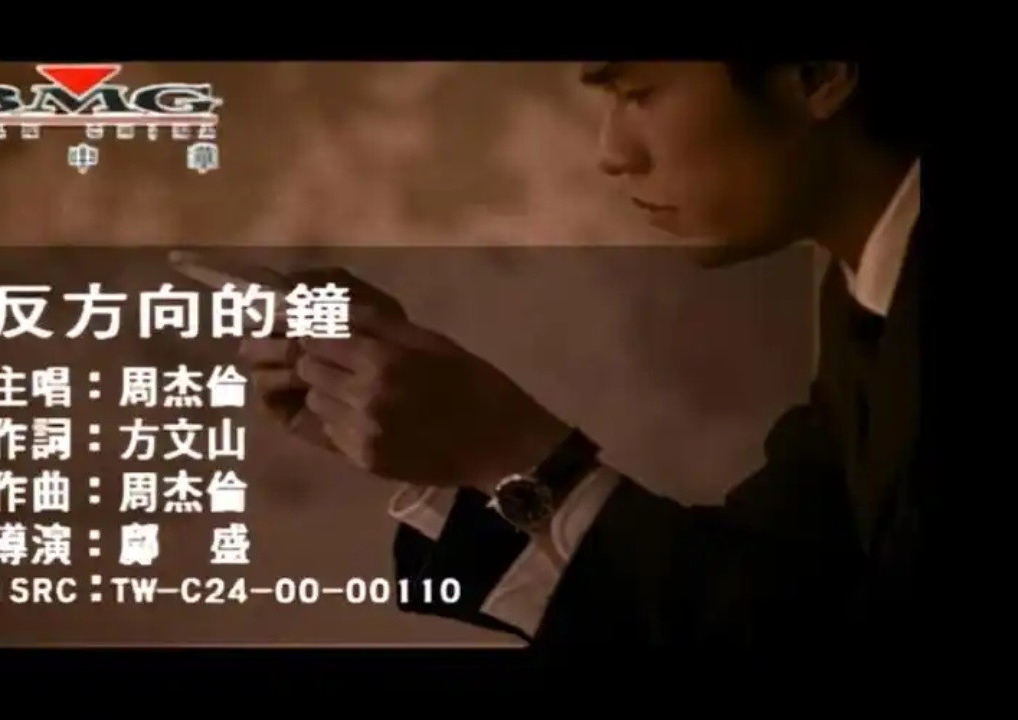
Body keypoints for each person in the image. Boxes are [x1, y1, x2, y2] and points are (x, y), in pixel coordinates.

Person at [238, 61, 926, 650]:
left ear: (818, 73)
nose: (612, 152)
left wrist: (512, 454)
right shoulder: (863, 293)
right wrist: (446, 449)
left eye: (639, 93)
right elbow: (768, 601)